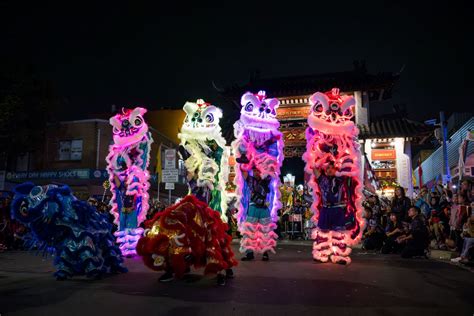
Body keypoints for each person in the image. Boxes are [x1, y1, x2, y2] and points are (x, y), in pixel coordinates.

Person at [240, 165, 274, 262]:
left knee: (266, 231)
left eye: (258, 170)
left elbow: (271, 168)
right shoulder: (250, 180)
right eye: (254, 170)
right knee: (249, 231)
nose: (256, 172)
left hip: (264, 208)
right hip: (253, 207)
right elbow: (243, 170)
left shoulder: (266, 179)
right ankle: (249, 253)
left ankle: (265, 253)